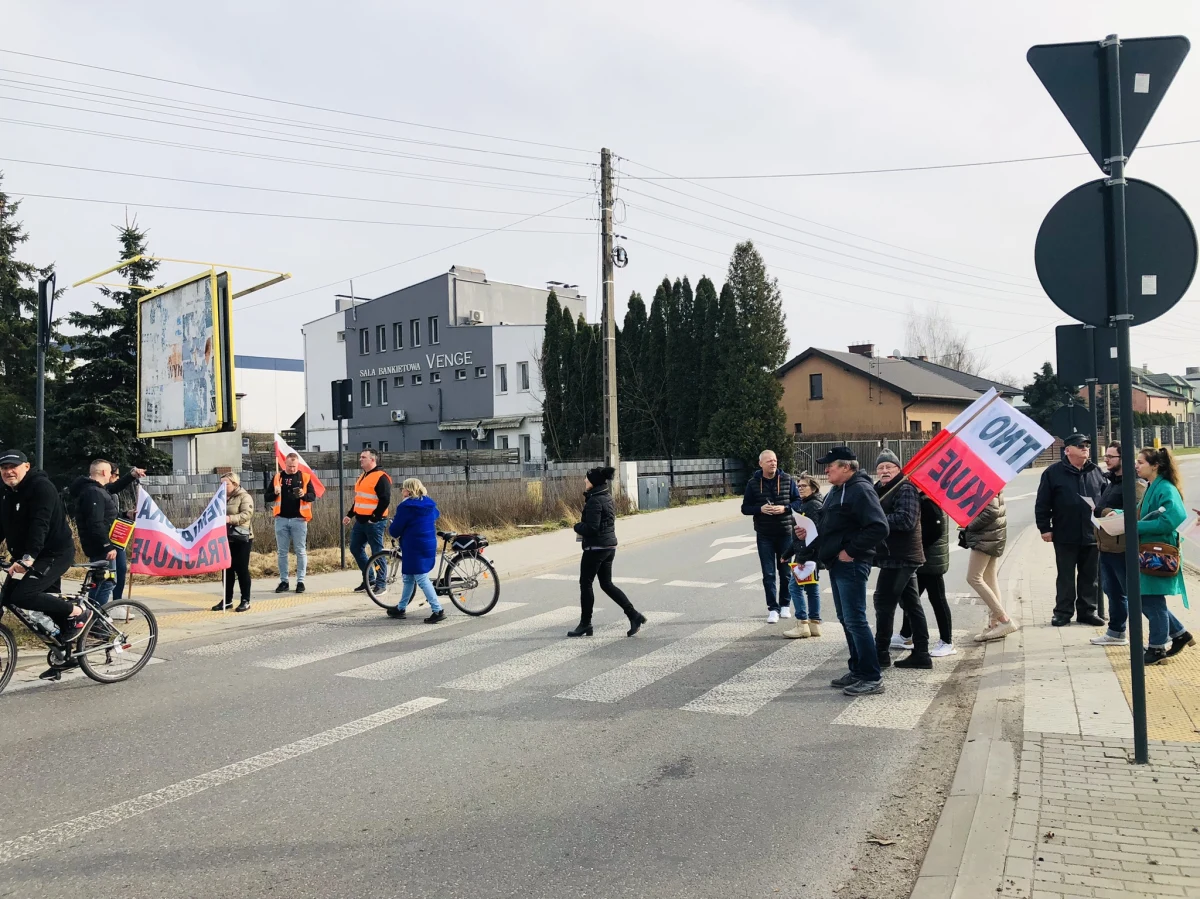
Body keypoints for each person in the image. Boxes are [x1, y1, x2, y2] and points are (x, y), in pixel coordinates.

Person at [804, 447, 888, 696]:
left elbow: (878, 527)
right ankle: (858, 669)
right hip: (837, 562)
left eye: (830, 465)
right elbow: (830, 523)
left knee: (855, 620)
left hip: (851, 563)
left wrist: (851, 551)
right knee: (846, 618)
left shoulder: (860, 490)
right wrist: (808, 532)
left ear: (846, 467)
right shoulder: (837, 491)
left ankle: (872, 676)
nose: (826, 469)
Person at [0, 450, 91, 680]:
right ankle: (64, 655)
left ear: (27, 467)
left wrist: (29, 557)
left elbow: (40, 524)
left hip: (54, 553)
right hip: (28, 555)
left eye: (14, 466)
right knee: (16, 599)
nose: (9, 471)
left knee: (23, 596)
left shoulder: (42, 487)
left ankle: (79, 613)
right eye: (4, 468)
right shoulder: (7, 492)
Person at [1035, 434, 1107, 627]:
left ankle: (1087, 612)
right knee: (1066, 576)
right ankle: (1063, 612)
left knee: (1090, 576)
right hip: (1065, 533)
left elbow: (1106, 499)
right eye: (1080, 445)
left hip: (1093, 534)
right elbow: (1043, 502)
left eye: (1087, 445)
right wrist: (1045, 528)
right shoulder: (1053, 473)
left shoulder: (1096, 471)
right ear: (1067, 450)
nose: (1085, 448)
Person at [567, 466, 646, 638]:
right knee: (606, 584)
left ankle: (585, 624)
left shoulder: (595, 500)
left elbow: (592, 528)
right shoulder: (606, 496)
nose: (584, 481)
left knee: (585, 584)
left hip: (596, 548)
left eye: (587, 479)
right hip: (608, 547)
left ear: (593, 482)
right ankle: (634, 615)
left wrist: (577, 526)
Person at [1133, 447, 1193, 665]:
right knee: (1147, 597)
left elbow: (1174, 517)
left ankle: (1158, 649)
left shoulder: (1165, 488)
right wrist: (1119, 515)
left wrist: (1135, 526)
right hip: (1150, 549)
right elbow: (1141, 513)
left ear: (1155, 465)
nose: (1136, 466)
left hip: (1158, 552)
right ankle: (1179, 634)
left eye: (1140, 462)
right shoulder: (1152, 487)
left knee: (1151, 599)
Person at [871, 450, 931, 670]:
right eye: (880, 468)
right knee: (911, 604)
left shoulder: (905, 488)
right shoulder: (878, 489)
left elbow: (906, 520)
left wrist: (875, 520)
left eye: (889, 467)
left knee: (883, 602)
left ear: (898, 469)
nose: (885, 471)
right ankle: (922, 654)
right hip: (890, 556)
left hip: (902, 557)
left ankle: (880, 655)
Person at [1090, 442, 1147, 647]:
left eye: (1111, 457)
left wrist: (1102, 512)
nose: (1106, 460)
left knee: (1136, 595)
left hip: (1122, 547)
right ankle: (1116, 632)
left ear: (1123, 459)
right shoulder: (1112, 481)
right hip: (1106, 545)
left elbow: (1134, 513)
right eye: (1105, 456)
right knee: (1112, 591)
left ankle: (1173, 631)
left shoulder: (1135, 484)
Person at [68, 459, 141, 608]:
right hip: (101, 546)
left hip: (100, 544)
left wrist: (131, 476)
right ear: (103, 472)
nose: (111, 476)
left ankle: (93, 617)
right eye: (110, 472)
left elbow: (112, 496)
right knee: (106, 582)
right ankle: (96, 619)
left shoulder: (95, 489)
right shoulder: (94, 492)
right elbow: (95, 522)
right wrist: (107, 546)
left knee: (102, 580)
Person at [742, 449, 801, 624]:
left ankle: (785, 605)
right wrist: (759, 509)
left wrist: (785, 509)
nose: (773, 463)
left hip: (785, 533)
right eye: (769, 461)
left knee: (785, 573)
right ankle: (772, 608)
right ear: (761, 464)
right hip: (764, 535)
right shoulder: (753, 483)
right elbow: (745, 508)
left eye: (775, 460)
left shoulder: (787, 479)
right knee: (768, 573)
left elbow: (798, 501)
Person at [894, 490, 955, 657]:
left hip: (930, 560)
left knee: (937, 599)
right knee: (911, 598)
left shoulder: (928, 500)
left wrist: (917, 546)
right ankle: (906, 635)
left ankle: (947, 641)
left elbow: (935, 531)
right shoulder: (926, 497)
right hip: (924, 558)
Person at [385, 478, 446, 624]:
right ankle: (401, 607)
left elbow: (395, 530)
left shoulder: (406, 507)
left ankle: (438, 610)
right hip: (429, 542)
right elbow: (436, 515)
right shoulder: (428, 503)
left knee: (421, 577)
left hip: (414, 545)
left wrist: (394, 526)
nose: (401, 491)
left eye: (403, 488)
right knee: (408, 577)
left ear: (409, 490)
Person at [963, 492, 1016, 641]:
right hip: (992, 535)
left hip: (985, 537)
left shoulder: (985, 481)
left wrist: (968, 525)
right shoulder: (989, 477)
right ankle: (995, 624)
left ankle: (1004, 620)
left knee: (973, 578)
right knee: (989, 579)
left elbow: (991, 511)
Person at [266, 452, 316, 595]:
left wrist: (303, 495)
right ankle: (284, 581)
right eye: (289, 466)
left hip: (299, 519)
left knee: (300, 551)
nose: (292, 469)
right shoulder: (278, 477)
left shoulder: (305, 477)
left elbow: (312, 496)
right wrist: (275, 493)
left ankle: (301, 581)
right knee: (282, 552)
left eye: (294, 466)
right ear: (284, 464)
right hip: (281, 519)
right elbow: (267, 496)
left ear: (297, 464)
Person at [343, 448, 392, 594]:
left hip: (374, 522)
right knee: (355, 548)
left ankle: (381, 583)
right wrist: (350, 514)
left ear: (372, 459)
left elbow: (385, 500)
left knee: (377, 552)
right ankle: (369, 578)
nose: (360, 459)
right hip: (360, 520)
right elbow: (359, 499)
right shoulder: (363, 476)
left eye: (363, 457)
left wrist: (375, 517)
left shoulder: (380, 477)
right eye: (360, 457)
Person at [783, 475, 823, 639]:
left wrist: (801, 558)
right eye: (798, 486)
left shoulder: (813, 505)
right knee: (812, 588)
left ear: (813, 488)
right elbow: (800, 535)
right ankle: (814, 624)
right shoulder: (807, 503)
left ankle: (802, 624)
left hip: (808, 556)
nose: (800, 488)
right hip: (809, 555)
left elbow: (813, 535)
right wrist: (787, 554)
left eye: (804, 486)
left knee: (794, 587)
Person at [213, 472, 254, 613]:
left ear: (235, 484)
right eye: (221, 483)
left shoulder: (245, 496)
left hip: (241, 538)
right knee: (226, 570)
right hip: (225, 537)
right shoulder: (220, 498)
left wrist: (230, 519)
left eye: (226, 483)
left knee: (241, 569)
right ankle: (227, 599)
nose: (222, 486)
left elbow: (247, 514)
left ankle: (245, 600)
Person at [106, 463, 143, 601]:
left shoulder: (112, 495)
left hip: (118, 536)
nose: (117, 478)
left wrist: (126, 514)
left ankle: (117, 600)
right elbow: (116, 486)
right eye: (115, 475)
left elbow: (112, 515)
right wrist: (131, 475)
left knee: (121, 569)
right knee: (109, 574)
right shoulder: (101, 490)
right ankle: (99, 606)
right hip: (106, 538)